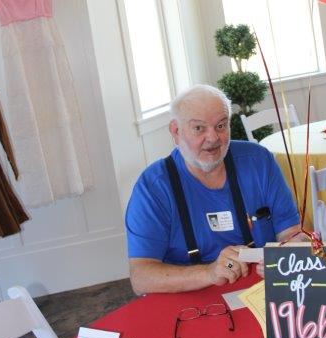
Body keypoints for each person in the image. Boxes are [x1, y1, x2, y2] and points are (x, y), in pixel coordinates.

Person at [125, 84, 301, 294]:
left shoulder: (259, 161)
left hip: (262, 289)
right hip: (189, 297)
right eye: (199, 128)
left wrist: (289, 252)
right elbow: (141, 278)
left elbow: (292, 233)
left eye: (221, 125)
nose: (213, 138)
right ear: (176, 131)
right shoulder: (153, 187)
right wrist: (209, 273)